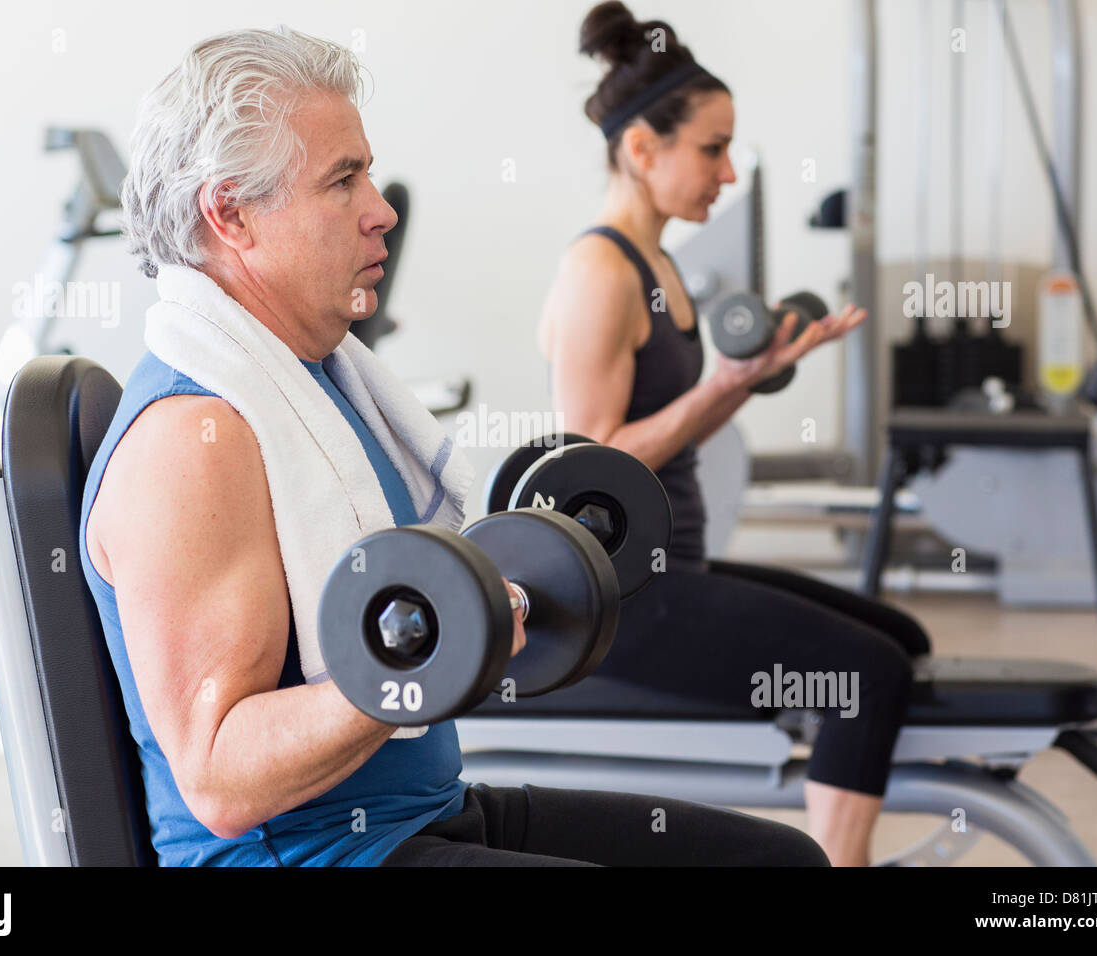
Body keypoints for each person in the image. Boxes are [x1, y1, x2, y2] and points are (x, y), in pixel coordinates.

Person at [79, 25, 827, 867]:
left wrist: (502, 594)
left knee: (779, 864)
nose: (381, 208)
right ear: (231, 213)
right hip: (312, 856)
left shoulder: (319, 380)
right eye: (342, 180)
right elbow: (222, 778)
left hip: (422, 811)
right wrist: (446, 646)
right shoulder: (196, 437)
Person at [536, 2, 932, 866]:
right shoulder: (599, 271)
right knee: (868, 674)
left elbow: (674, 436)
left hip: (676, 567)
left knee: (901, 640)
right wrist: (725, 378)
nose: (727, 172)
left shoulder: (659, 264)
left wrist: (746, 378)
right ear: (643, 148)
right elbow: (592, 468)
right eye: (712, 150)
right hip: (620, 602)